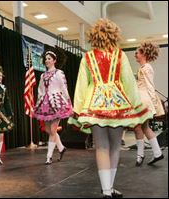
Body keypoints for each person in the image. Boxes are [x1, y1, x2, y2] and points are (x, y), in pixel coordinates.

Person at [68, 18, 152, 198]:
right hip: (118, 104)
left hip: (94, 104)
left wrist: (78, 109)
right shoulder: (120, 55)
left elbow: (81, 85)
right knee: (115, 146)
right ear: (114, 36)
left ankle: (107, 190)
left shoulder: (88, 57)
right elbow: (129, 82)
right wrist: (136, 107)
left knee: (101, 147)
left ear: (94, 36)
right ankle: (109, 188)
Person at [33, 49, 73, 164]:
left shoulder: (59, 73)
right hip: (45, 103)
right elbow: (40, 90)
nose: (47, 61)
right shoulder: (43, 75)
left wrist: (69, 102)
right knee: (48, 130)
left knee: (52, 130)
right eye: (46, 59)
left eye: (49, 59)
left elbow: (64, 88)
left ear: (54, 60)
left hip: (56, 102)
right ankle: (61, 148)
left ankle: (48, 156)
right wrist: (38, 102)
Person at [134, 42, 165, 167]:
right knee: (141, 127)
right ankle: (154, 153)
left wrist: (152, 104)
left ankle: (141, 155)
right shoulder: (143, 68)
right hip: (141, 100)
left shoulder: (147, 68)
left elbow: (150, 86)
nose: (136, 54)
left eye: (138, 52)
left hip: (144, 101)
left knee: (139, 127)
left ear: (144, 54)